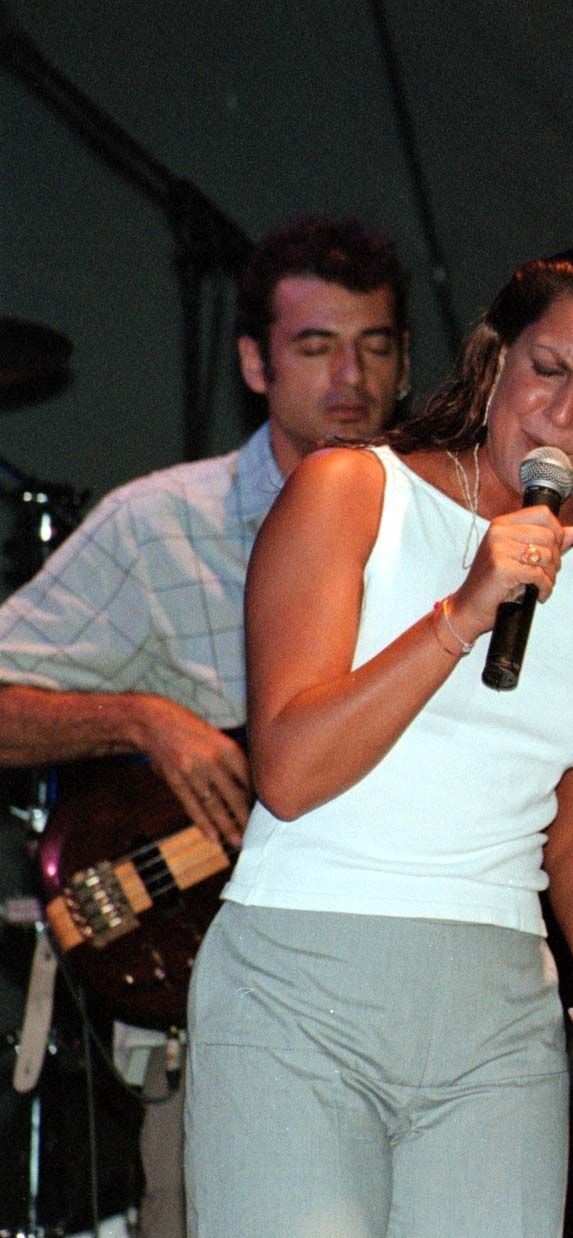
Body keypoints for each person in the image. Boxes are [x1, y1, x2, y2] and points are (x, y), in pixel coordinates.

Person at [181, 247, 573, 1236]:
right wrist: (462, 610)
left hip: (498, 1015)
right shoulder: (354, 493)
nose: (561, 413)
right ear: (496, 360)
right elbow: (291, 772)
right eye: (548, 368)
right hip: (301, 987)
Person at [0, 213, 409, 1236]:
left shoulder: (457, 535)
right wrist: (143, 717)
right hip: (226, 1026)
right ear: (254, 362)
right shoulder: (162, 525)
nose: (349, 376)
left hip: (412, 1008)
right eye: (316, 345)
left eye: (376, 344)